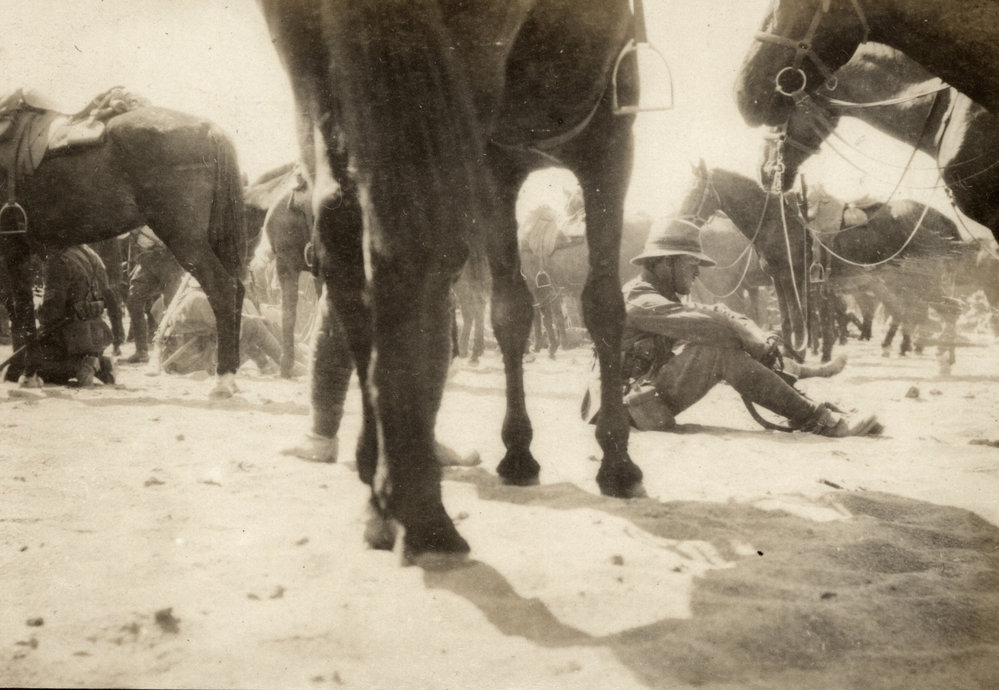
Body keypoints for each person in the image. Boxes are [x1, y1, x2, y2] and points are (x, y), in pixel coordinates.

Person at [602, 221, 879, 437]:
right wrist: (751, 338)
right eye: (691, 263)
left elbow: (716, 313)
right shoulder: (637, 300)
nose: (697, 272)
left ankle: (808, 409)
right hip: (625, 409)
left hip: (643, 400)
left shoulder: (660, 294)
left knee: (723, 345)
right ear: (666, 262)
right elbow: (710, 326)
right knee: (716, 351)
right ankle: (815, 417)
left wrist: (755, 335)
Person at [155, 274, 285, 376]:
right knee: (253, 326)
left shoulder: (188, 296)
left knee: (252, 325)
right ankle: (281, 363)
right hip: (188, 363)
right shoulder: (201, 299)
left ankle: (271, 364)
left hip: (182, 358)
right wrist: (254, 320)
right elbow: (229, 328)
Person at [30, 244, 116, 387]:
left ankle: (79, 366)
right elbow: (107, 294)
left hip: (70, 335)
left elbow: (52, 311)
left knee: (22, 367)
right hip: (96, 333)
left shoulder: (57, 260)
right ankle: (99, 364)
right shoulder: (90, 253)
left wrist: (36, 309)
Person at [124, 226, 183, 364]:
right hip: (146, 262)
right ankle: (141, 351)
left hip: (169, 262)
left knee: (172, 306)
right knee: (133, 302)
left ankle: (172, 351)